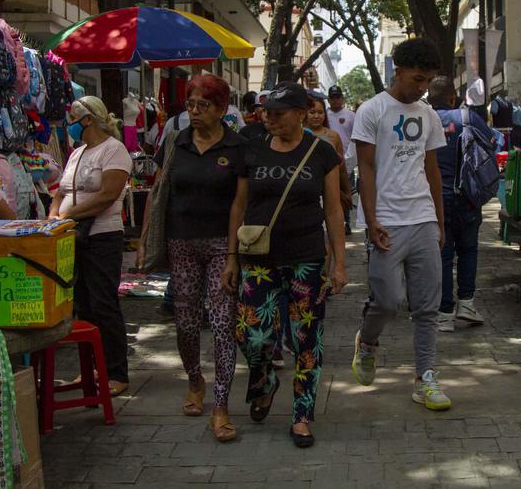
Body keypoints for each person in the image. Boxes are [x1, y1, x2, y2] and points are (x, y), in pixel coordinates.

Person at [221, 82, 347, 448]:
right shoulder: (252, 149)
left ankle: (302, 414)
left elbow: (334, 209)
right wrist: (231, 257)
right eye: (266, 112)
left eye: (278, 113)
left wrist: (339, 264)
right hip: (258, 260)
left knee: (306, 339)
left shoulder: (322, 153)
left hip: (307, 260)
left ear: (300, 113)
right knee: (252, 335)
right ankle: (264, 381)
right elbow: (239, 206)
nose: (269, 119)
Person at [139, 75, 247, 442]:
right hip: (181, 243)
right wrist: (143, 241)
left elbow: (240, 202)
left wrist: (233, 254)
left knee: (221, 325)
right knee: (185, 323)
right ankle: (195, 381)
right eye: (190, 105)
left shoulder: (237, 146)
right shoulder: (176, 141)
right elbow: (159, 193)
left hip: (221, 245)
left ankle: (220, 406)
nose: (195, 112)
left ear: (221, 109)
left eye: (204, 106)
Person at [350, 38, 451, 411]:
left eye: (428, 81)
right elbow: (367, 168)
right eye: (418, 79)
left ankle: (425, 378)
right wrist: (372, 220)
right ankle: (368, 341)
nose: (422, 87)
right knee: (388, 301)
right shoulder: (372, 110)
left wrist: (440, 221)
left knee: (427, 307)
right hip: (387, 222)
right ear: (399, 71)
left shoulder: (429, 115)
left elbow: (432, 171)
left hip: (423, 218)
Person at [49, 96, 133, 396]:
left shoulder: (114, 151)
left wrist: (67, 215)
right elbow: (60, 191)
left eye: (73, 118)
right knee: (82, 306)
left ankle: (116, 372)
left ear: (87, 120)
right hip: (72, 236)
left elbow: (107, 194)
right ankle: (90, 371)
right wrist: (53, 217)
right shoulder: (77, 153)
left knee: (103, 303)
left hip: (102, 237)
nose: (68, 124)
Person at [428, 76, 503, 333]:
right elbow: (492, 144)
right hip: (468, 196)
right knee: (468, 249)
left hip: (434, 199)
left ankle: (444, 312)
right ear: (452, 96)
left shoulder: (423, 119)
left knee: (443, 253)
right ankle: (467, 305)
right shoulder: (468, 118)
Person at [305, 95, 353, 214]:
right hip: (306, 190)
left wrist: (346, 191)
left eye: (320, 112)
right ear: (304, 113)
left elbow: (341, 168)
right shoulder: (299, 134)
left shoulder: (333, 136)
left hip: (331, 188)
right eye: (312, 112)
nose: (316, 116)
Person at [326, 85, 356, 234]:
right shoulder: (324, 116)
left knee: (345, 193)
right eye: (333, 97)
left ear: (342, 98)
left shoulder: (351, 116)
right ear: (329, 99)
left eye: (338, 97)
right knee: (329, 194)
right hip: (327, 163)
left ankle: (346, 222)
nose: (335, 100)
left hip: (346, 162)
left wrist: (351, 159)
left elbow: (356, 138)